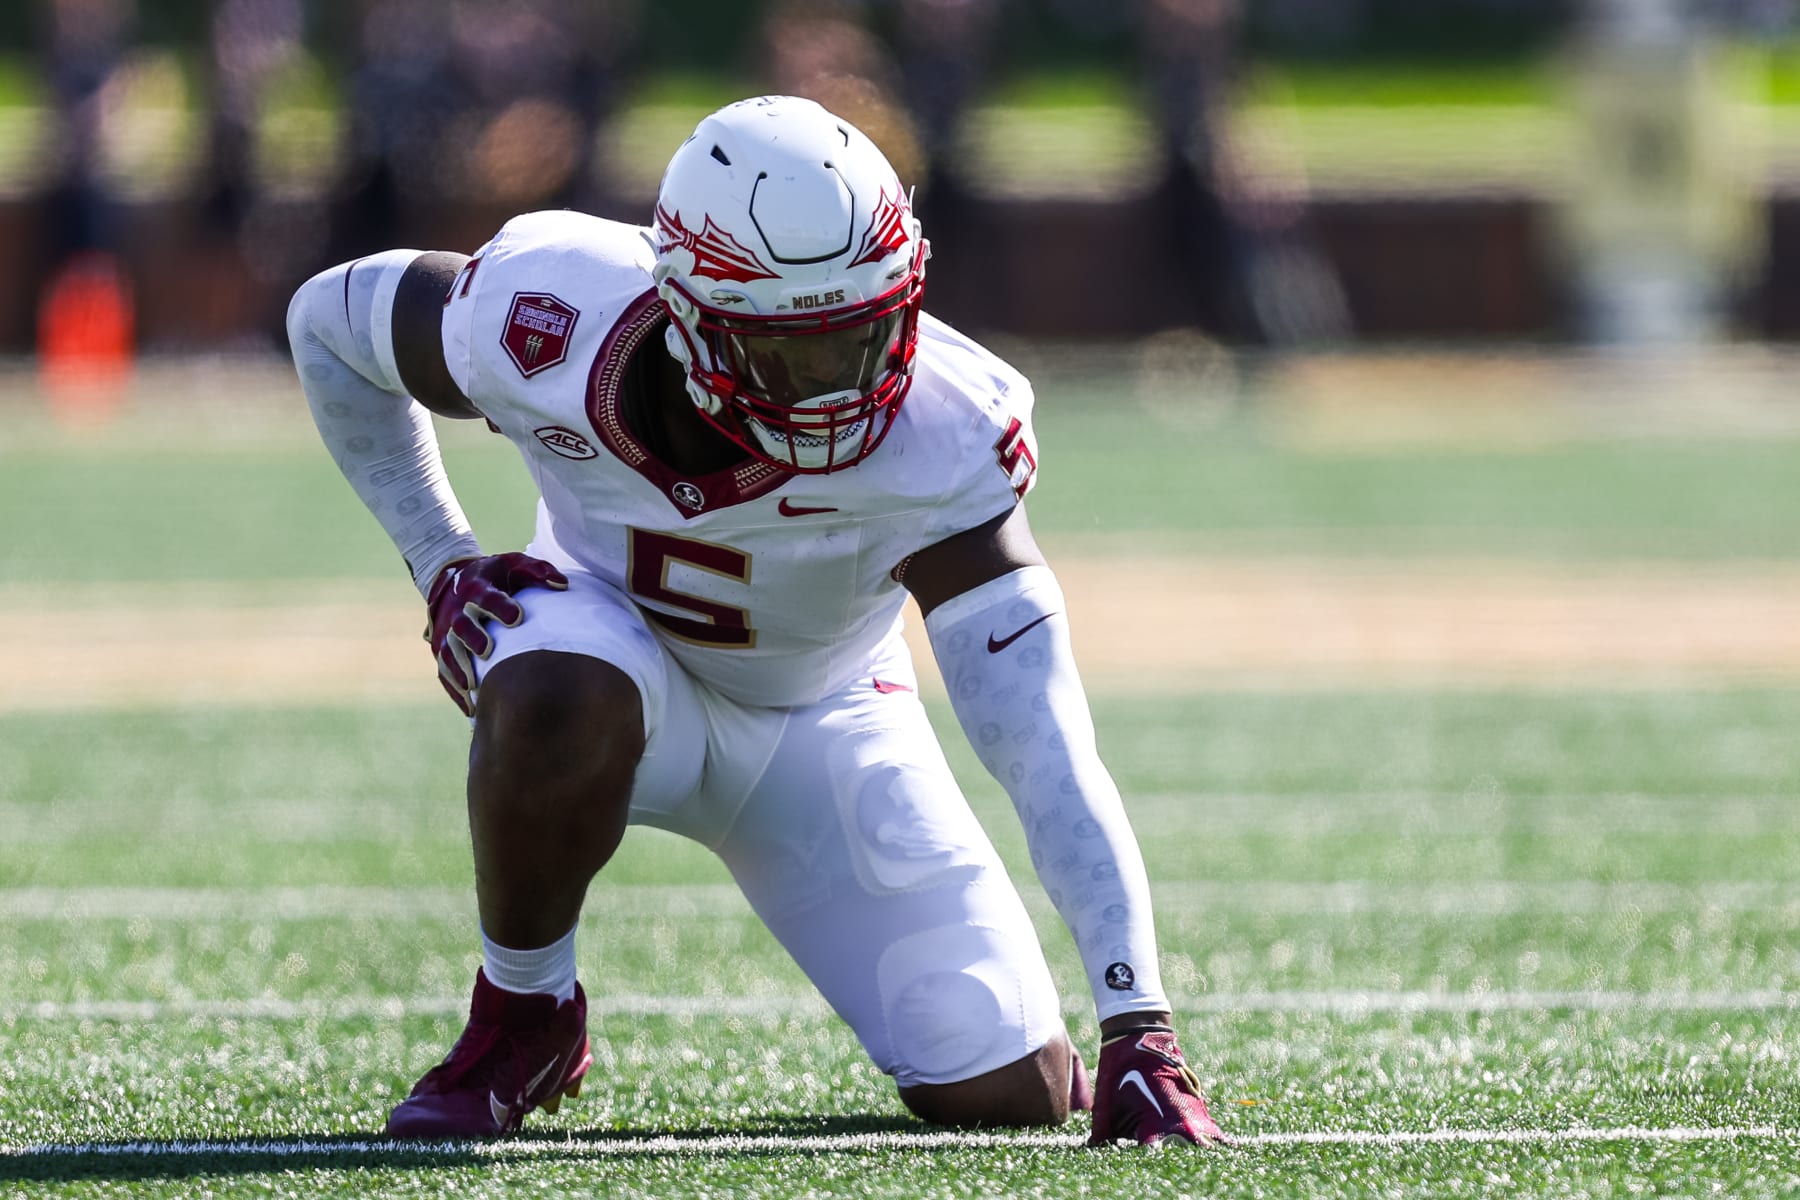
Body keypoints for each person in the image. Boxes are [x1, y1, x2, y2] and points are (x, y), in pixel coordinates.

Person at [287, 95, 1228, 1148]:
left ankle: (1019, 1051)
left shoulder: (946, 434)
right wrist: (442, 560)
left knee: (1004, 1090)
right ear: (687, 311)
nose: (843, 385)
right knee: (553, 694)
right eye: (795, 351)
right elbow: (329, 320)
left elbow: (1042, 742)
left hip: (825, 711)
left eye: (865, 336)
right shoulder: (547, 311)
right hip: (605, 644)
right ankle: (526, 1013)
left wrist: (1137, 1024)